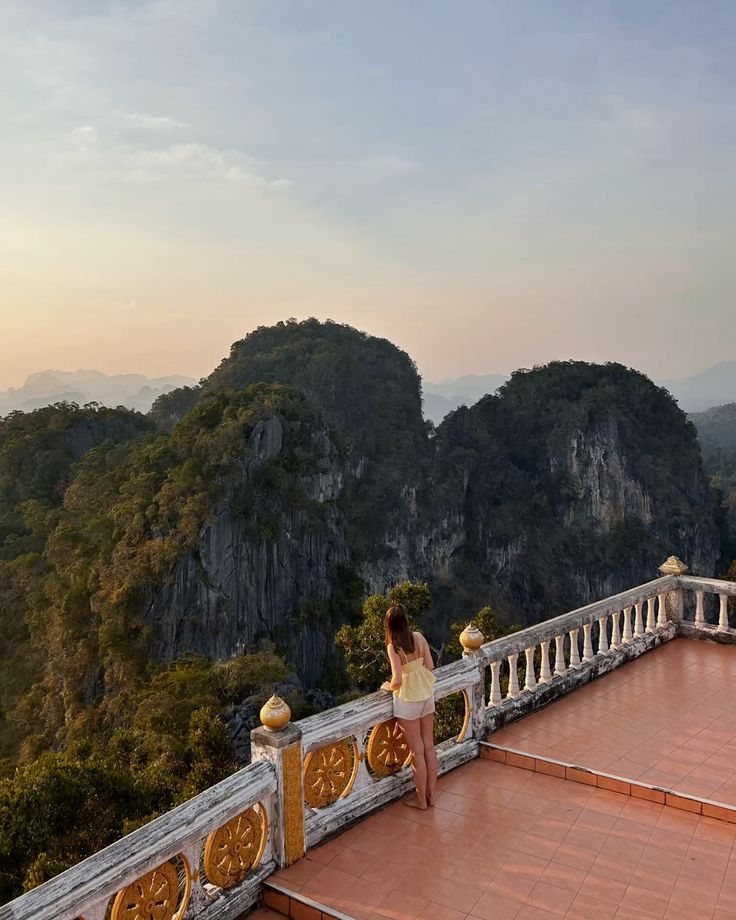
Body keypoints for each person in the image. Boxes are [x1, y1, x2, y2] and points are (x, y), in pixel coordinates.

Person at [380, 604, 437, 809]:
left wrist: (388, 686)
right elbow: (430, 666)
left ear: (389, 625)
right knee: (429, 747)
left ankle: (421, 800)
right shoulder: (419, 637)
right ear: (405, 620)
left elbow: (397, 680)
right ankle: (431, 796)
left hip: (408, 701)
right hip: (426, 695)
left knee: (417, 752)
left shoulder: (393, 646)